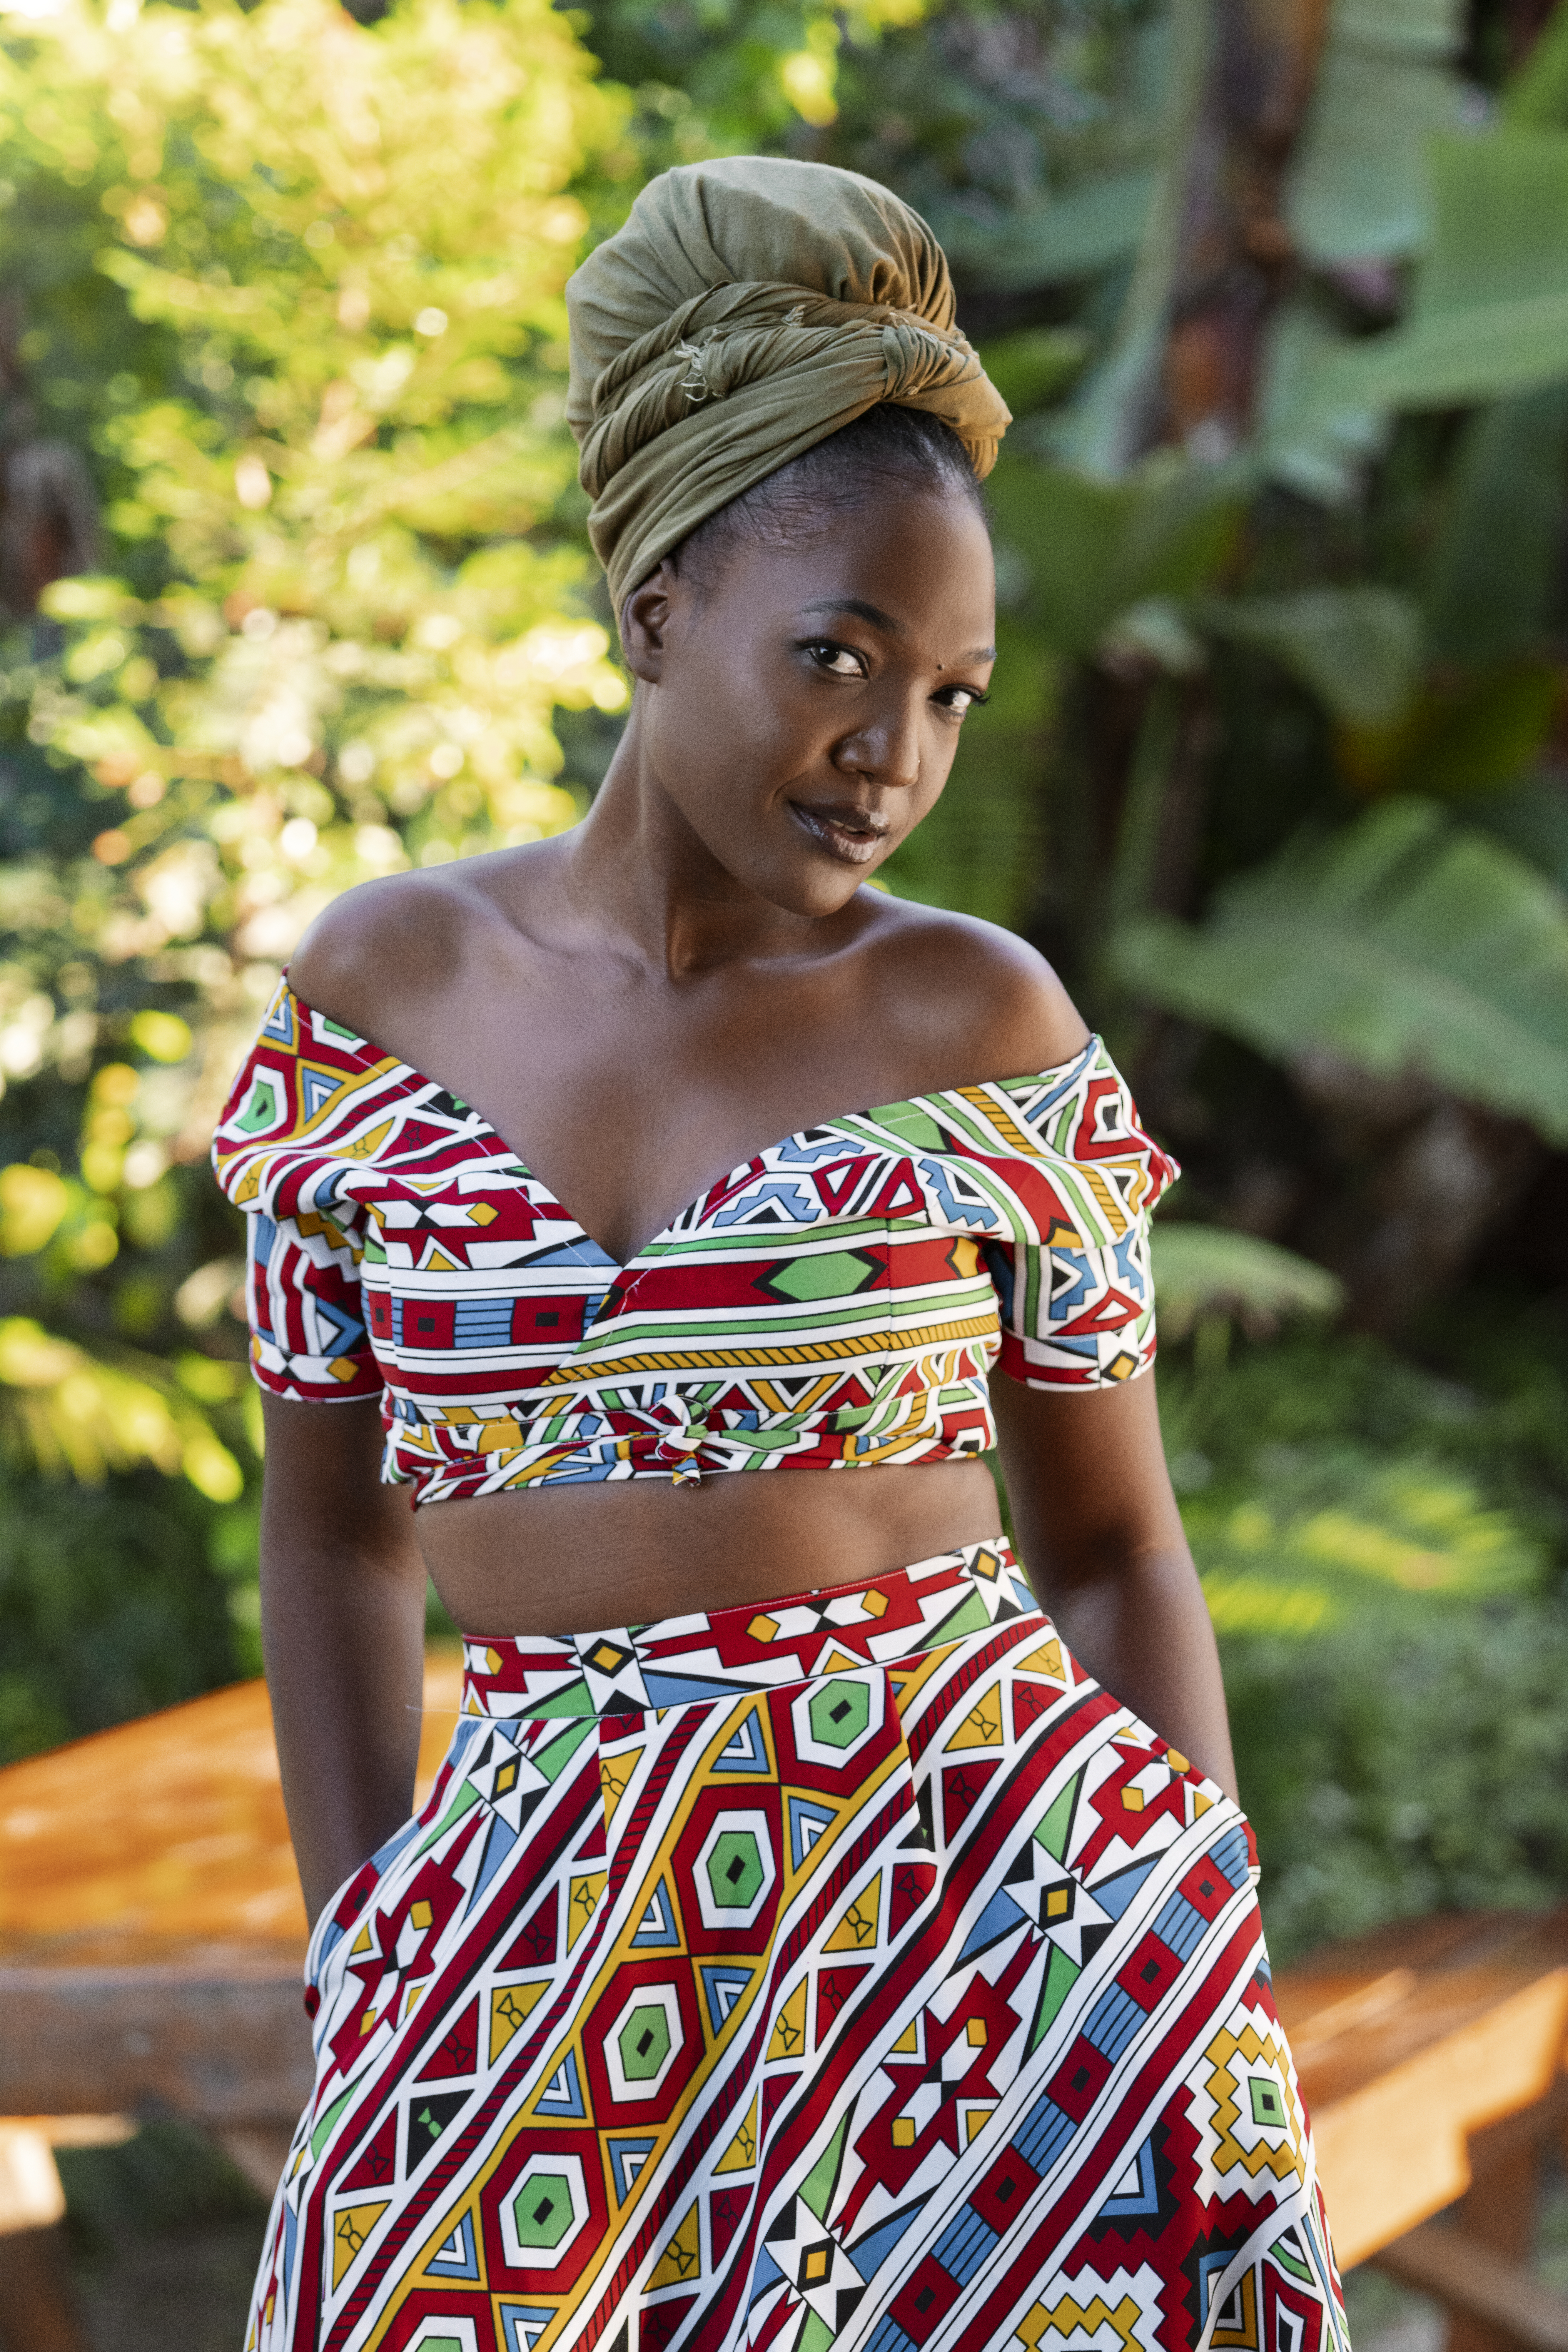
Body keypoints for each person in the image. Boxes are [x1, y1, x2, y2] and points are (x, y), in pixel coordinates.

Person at [215, 157, 1345, 2352]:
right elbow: (335, 1546)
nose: (891, 755)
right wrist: (367, 1952)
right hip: (522, 1954)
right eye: (837, 658)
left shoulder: (978, 1020)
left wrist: (1200, 1959)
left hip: (988, 1945)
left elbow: (1113, 1553)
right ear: (653, 610)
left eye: (951, 695)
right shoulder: (372, 997)